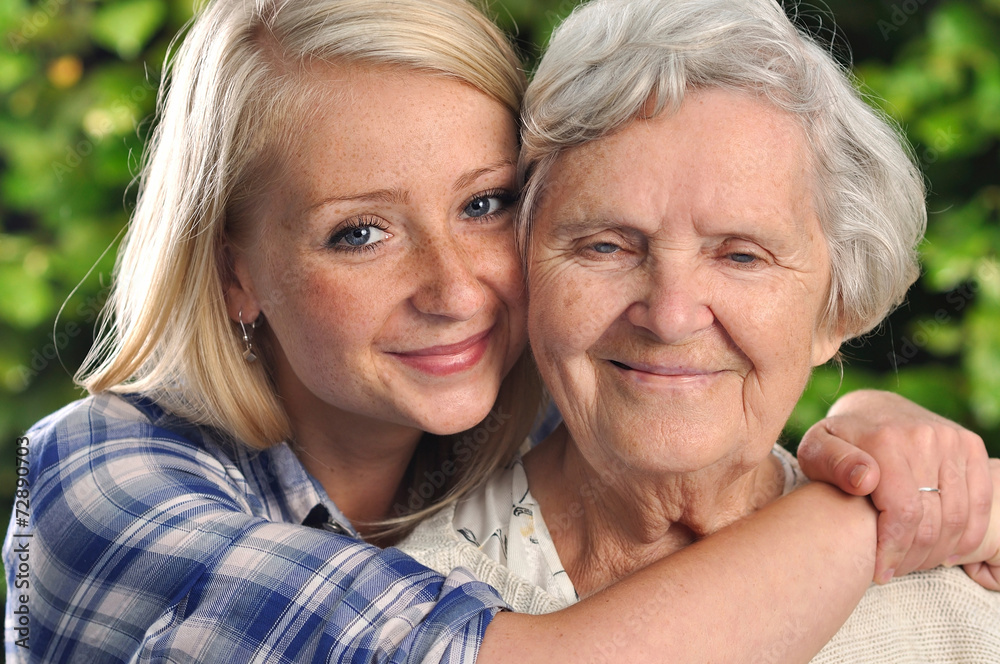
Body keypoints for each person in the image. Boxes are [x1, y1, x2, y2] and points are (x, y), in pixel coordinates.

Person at [2, 0, 993, 662]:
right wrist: (876, 510)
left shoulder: (509, 421)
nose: (455, 287)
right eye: (358, 232)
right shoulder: (108, 476)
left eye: (482, 206)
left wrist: (885, 433)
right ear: (233, 271)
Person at [398, 0, 1000, 660]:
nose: (671, 315)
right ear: (524, 274)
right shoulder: (412, 611)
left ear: (836, 310)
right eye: (606, 246)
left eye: (742, 255)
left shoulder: (962, 603)